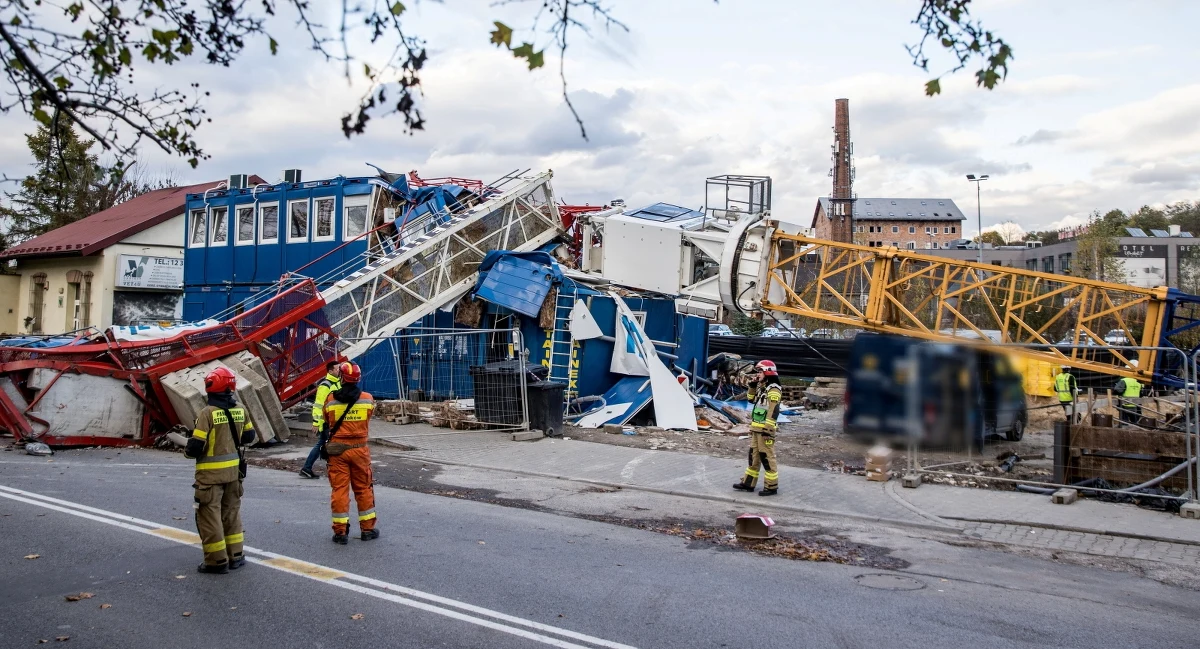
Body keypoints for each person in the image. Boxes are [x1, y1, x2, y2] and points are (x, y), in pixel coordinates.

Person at [185, 366, 256, 574]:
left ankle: (216, 561)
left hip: (210, 477)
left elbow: (196, 446)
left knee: (210, 516)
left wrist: (187, 451)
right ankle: (236, 556)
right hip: (234, 473)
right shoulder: (240, 409)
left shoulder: (207, 413)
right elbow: (248, 438)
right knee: (232, 513)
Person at [322, 362, 379, 543]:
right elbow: (369, 416)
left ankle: (340, 532)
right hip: (360, 451)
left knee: (340, 490)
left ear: (341, 377)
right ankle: (368, 530)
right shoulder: (368, 399)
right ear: (358, 378)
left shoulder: (331, 399)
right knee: (363, 489)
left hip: (338, 451)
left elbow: (326, 419)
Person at [733, 359, 783, 496]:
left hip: (765, 429)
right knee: (753, 457)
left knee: (767, 457)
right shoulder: (762, 386)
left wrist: (768, 429)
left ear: (768, 372)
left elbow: (774, 409)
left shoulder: (774, 389)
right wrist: (753, 385)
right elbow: (751, 399)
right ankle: (748, 483)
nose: (758, 374)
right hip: (756, 428)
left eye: (760, 371)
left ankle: (771, 486)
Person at [299, 360, 342, 479]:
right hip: (326, 421)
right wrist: (317, 422)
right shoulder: (325, 385)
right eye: (337, 369)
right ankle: (308, 468)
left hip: (332, 420)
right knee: (324, 444)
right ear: (330, 371)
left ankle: (307, 468)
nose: (339, 371)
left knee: (325, 444)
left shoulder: (336, 383)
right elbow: (318, 405)